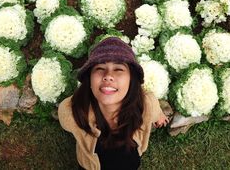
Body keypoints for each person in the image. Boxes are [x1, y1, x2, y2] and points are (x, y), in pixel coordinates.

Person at [58, 37, 169, 170]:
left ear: (131, 79)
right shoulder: (71, 112)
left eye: (118, 69)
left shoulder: (146, 104)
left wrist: (160, 116)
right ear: (89, 80)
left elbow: (155, 110)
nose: (108, 75)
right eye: (100, 68)